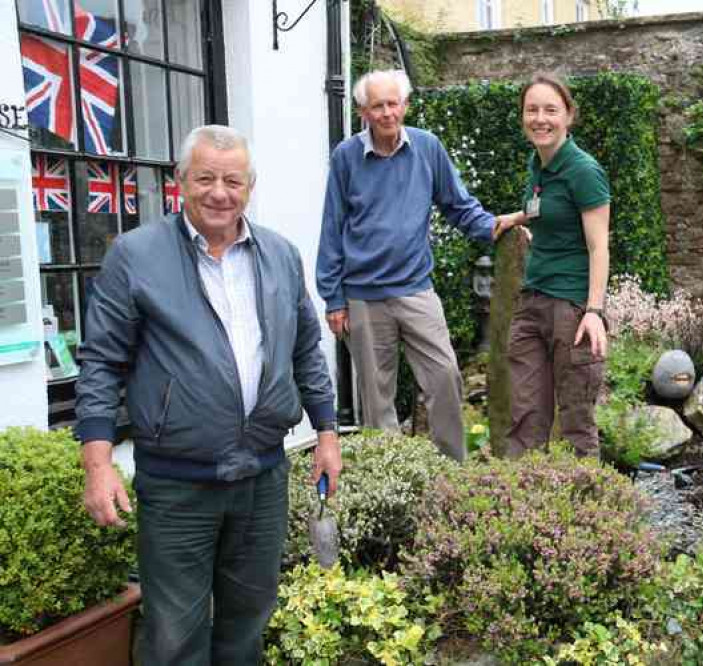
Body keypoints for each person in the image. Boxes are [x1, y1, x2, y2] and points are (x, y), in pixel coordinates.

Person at [75, 125, 342, 665]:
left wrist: (328, 434)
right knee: (175, 635)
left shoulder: (281, 256)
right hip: (177, 484)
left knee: (249, 623)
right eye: (205, 178)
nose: (220, 192)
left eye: (232, 180)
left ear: (250, 186)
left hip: (262, 477)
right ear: (180, 182)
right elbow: (101, 363)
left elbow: (307, 351)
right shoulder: (135, 256)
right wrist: (98, 465)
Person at [317, 69, 523, 462]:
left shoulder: (427, 148)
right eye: (377, 105)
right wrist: (333, 299)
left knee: (445, 376)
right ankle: (393, 478)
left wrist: (494, 226)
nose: (387, 113)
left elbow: (457, 204)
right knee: (376, 401)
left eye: (393, 103)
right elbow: (332, 227)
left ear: (406, 105)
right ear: (363, 111)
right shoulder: (346, 157)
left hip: (416, 290)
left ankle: (452, 471)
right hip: (363, 297)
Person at [504, 72, 611, 459]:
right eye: (531, 110)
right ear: (522, 117)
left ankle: (585, 515)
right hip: (531, 303)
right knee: (525, 416)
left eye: (550, 110)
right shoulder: (538, 164)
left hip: (571, 308)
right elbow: (545, 209)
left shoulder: (583, 170)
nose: (540, 118)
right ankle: (525, 506)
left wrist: (594, 312)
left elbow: (599, 246)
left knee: (576, 423)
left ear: (568, 116)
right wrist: (516, 217)